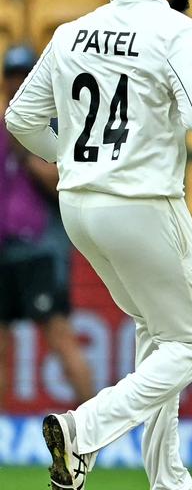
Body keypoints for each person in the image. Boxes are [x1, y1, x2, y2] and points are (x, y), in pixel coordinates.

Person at [5, 0, 192, 490]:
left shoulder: (72, 33)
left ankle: (167, 478)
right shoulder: (179, 32)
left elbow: (19, 119)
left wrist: (70, 157)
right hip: (144, 204)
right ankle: (84, 428)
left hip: (79, 208)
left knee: (157, 329)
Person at [0, 45, 95, 409]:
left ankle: (94, 426)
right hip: (4, 247)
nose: (17, 83)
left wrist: (26, 152)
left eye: (24, 76)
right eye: (11, 77)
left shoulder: (56, 124)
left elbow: (65, 183)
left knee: (59, 337)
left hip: (42, 247)